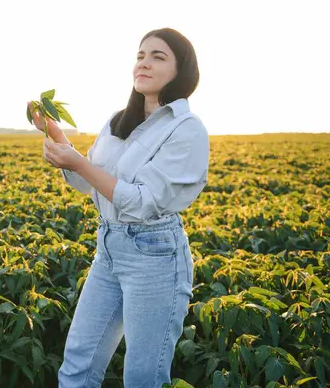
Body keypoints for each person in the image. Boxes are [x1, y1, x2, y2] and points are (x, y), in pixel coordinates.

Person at [27, 27, 209, 387]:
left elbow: (141, 202)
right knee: (77, 364)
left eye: (158, 56)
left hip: (155, 256)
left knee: (143, 377)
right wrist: (58, 138)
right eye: (141, 55)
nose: (144, 63)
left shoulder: (187, 129)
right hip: (109, 248)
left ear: (181, 70)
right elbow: (89, 182)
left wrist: (79, 163)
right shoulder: (117, 122)